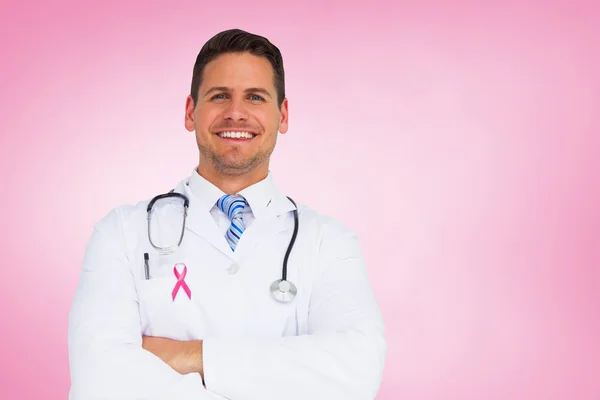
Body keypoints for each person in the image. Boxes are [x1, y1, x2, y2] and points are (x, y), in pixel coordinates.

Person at [67, 28, 386, 400]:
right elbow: (101, 380)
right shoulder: (121, 233)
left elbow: (357, 369)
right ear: (191, 112)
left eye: (255, 97)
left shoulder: (329, 242)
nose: (236, 113)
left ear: (282, 116)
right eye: (220, 96)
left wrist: (189, 355)